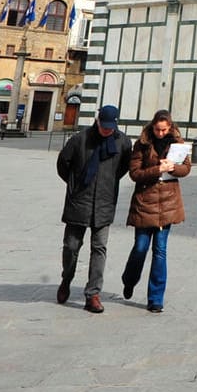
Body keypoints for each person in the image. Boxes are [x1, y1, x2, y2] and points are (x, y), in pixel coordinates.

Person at [56, 104, 133, 313]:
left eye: (110, 127)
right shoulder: (80, 139)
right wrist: (74, 184)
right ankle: (66, 279)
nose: (106, 130)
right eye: (103, 126)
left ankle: (93, 294)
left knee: (99, 248)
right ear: (97, 121)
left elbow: (125, 166)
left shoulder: (122, 142)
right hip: (79, 201)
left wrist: (108, 182)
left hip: (105, 202)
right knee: (71, 246)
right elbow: (63, 163)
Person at [122, 109, 192, 313]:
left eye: (164, 130)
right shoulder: (142, 144)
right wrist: (156, 170)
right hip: (145, 203)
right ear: (152, 126)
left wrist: (172, 168)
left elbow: (186, 168)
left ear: (170, 127)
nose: (160, 133)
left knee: (160, 251)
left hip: (168, 204)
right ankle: (129, 279)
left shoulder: (179, 144)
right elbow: (134, 173)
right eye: (157, 129)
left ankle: (155, 299)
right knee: (140, 248)